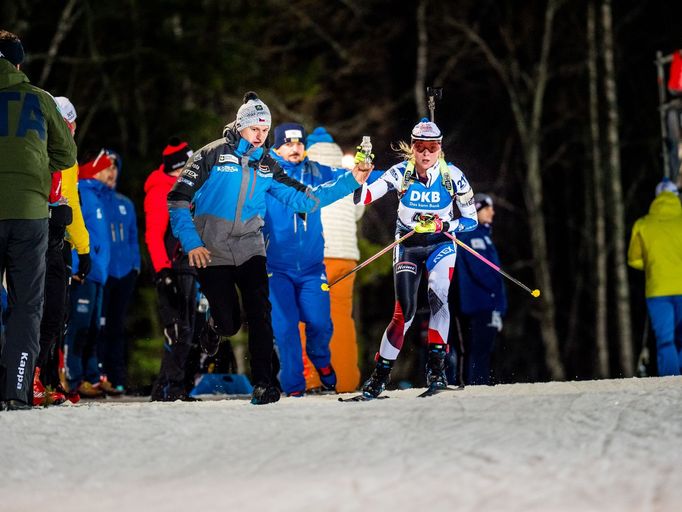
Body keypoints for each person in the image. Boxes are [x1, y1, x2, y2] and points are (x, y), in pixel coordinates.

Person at [168, 91, 372, 404]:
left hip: (251, 248)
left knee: (261, 313)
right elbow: (177, 199)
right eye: (255, 130)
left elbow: (306, 198)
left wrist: (352, 181)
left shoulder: (266, 165)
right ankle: (213, 324)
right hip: (212, 250)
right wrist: (192, 242)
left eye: (265, 130)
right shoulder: (212, 154)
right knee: (229, 322)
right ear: (240, 126)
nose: (260, 136)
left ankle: (264, 384)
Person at [353, 118, 477, 398]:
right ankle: (379, 377)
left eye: (431, 147)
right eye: (420, 147)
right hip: (408, 244)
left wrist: (443, 226)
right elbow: (364, 198)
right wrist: (359, 178)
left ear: (440, 148)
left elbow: (471, 221)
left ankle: (437, 372)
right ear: (412, 147)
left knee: (438, 298)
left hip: (440, 244)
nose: (425, 153)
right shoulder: (400, 173)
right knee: (404, 313)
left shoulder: (453, 176)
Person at [0, 30, 77, 410]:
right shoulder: (38, 99)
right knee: (27, 304)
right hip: (30, 213)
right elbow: (66, 154)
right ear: (18, 63)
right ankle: (16, 389)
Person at [264, 123, 349, 396]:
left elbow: (353, 177)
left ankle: (321, 362)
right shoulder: (263, 174)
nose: (295, 148)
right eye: (288, 143)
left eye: (299, 143)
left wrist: (403, 175)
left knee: (320, 323)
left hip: (313, 269)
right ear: (276, 147)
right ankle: (294, 389)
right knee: (286, 329)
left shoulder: (314, 172)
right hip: (276, 269)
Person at [33, 96, 91, 406]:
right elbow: (71, 205)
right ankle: (37, 379)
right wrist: (84, 248)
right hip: (54, 239)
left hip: (27, 233)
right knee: (53, 313)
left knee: (35, 309)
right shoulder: (64, 154)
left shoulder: (31, 145)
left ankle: (45, 378)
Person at [305, 127, 363, 392]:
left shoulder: (304, 172)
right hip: (345, 258)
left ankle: (312, 380)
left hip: (314, 256)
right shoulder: (346, 173)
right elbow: (358, 211)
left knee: (308, 318)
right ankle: (347, 380)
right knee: (341, 317)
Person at [144, 138, 201, 401]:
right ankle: (166, 389)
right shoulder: (161, 191)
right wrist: (162, 272)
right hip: (172, 269)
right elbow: (154, 236)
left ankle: (176, 389)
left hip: (190, 267)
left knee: (188, 332)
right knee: (178, 330)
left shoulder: (188, 190)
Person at [64, 150, 114, 397]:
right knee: (80, 327)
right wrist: (74, 265)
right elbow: (73, 230)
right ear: (96, 170)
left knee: (93, 328)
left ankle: (91, 376)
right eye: (106, 168)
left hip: (98, 273)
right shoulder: (82, 191)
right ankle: (74, 378)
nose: (111, 172)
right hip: (83, 272)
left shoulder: (99, 196)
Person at [450, 193, 507, 386]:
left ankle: (479, 383)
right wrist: (494, 291)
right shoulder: (473, 234)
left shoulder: (483, 234)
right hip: (480, 303)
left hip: (485, 302)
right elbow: (482, 270)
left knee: (483, 349)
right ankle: (477, 385)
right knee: (479, 349)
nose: (492, 211)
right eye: (487, 207)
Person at [627, 179, 682, 376]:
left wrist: (654, 265)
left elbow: (634, 260)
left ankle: (671, 381)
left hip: (658, 290)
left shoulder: (642, 224)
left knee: (666, 340)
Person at [98, 149, 140, 393]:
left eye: (114, 167)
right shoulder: (90, 197)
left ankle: (117, 377)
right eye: (106, 167)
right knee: (98, 326)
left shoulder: (125, 203)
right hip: (101, 273)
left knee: (117, 326)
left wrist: (135, 265)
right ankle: (96, 374)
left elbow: (133, 238)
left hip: (124, 273)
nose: (111, 172)